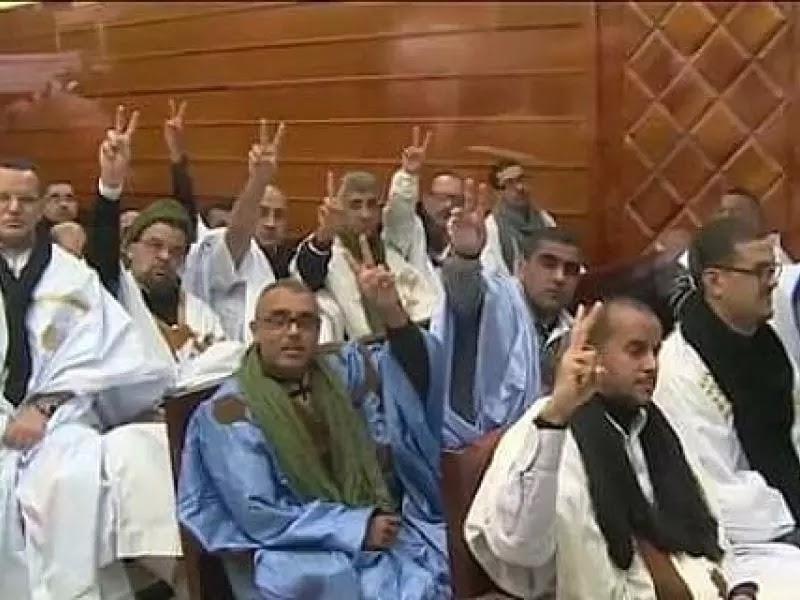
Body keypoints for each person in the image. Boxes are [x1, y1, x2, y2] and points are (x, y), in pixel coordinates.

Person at [177, 243, 451, 599]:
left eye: (305, 322)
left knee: (439, 549)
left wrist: (392, 312)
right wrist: (356, 528)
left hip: (379, 520)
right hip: (292, 544)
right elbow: (258, 513)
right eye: (279, 321)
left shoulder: (341, 369)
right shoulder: (230, 412)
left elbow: (413, 379)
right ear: (255, 330)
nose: (293, 331)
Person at [467, 298, 765, 599]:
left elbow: (708, 530)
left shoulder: (656, 426)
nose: (651, 365)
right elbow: (520, 548)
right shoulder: (546, 424)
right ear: (593, 356)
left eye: (655, 351)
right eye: (635, 351)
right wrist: (557, 416)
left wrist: (737, 589)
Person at [0, 158, 174, 599]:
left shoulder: (73, 277)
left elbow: (102, 352)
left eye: (24, 199)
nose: (14, 208)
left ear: (40, 206)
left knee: (71, 481)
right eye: (3, 199)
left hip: (60, 421)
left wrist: (43, 407)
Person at [655, 217, 800, 596]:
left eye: (772, 269)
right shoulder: (682, 369)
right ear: (715, 282)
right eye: (759, 271)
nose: (772, 282)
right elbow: (714, 487)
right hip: (745, 540)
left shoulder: (768, 344)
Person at [432, 180, 582, 448]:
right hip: (470, 450)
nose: (559, 277)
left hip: (534, 447)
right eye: (548, 264)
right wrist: (465, 257)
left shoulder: (573, 332)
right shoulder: (495, 298)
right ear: (521, 266)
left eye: (570, 270)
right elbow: (463, 295)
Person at [182, 118, 340, 342]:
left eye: (278, 215)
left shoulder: (285, 257)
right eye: (262, 212)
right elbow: (237, 234)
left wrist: (325, 235)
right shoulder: (236, 251)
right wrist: (258, 180)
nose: (270, 223)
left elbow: (306, 272)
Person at [320, 166, 440, 339]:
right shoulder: (327, 256)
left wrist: (408, 174)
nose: (366, 214)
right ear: (341, 209)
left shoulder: (392, 248)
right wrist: (324, 236)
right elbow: (308, 270)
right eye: (355, 205)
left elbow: (402, 211)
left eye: (371, 205)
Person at [383, 126, 464, 278]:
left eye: (455, 199)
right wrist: (408, 175)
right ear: (426, 198)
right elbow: (399, 211)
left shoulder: (467, 234)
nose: (448, 205)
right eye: (441, 198)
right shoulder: (410, 229)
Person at [482, 159, 556, 276]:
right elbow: (490, 273)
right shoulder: (491, 227)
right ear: (498, 192)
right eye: (510, 183)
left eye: (521, 179)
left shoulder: (545, 220)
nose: (520, 187)